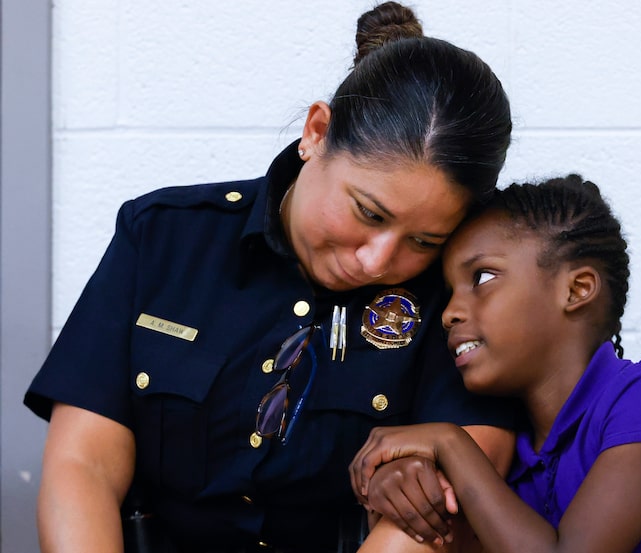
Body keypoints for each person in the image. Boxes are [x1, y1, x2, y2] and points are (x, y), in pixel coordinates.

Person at [23, 3, 518, 552]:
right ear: (317, 133)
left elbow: (441, 507)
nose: (378, 261)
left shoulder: (457, 300)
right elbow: (82, 466)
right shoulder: (164, 238)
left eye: (424, 241)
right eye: (369, 214)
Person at [351, 175, 641, 552]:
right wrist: (405, 488)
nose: (449, 313)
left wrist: (448, 441)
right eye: (448, 293)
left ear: (576, 290)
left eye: (481, 277)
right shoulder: (515, 462)